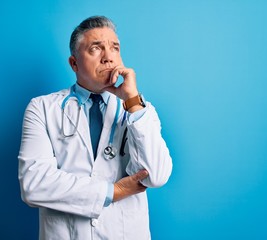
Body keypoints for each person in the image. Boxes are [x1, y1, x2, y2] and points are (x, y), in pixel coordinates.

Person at [18, 16, 172, 240]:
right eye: (95, 49)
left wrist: (132, 103)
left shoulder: (139, 109)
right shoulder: (42, 108)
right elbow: (34, 185)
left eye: (115, 48)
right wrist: (113, 191)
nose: (108, 57)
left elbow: (156, 176)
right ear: (74, 63)